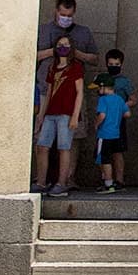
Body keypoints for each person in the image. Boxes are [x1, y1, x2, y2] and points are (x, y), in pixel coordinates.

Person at [34, 35, 85, 198]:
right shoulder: (52, 67)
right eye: (60, 44)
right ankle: (41, 182)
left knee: (64, 148)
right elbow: (48, 92)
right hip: (50, 113)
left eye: (66, 44)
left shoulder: (76, 67)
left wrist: (75, 115)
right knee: (42, 146)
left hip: (66, 114)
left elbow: (80, 92)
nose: (62, 47)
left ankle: (62, 183)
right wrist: (41, 115)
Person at [90, 68, 129, 194]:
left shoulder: (103, 100)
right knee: (113, 156)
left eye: (98, 88)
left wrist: (96, 124)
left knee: (103, 159)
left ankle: (108, 183)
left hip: (104, 134)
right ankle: (113, 181)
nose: (97, 91)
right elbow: (127, 113)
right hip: (116, 134)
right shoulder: (119, 99)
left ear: (103, 87)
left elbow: (102, 115)